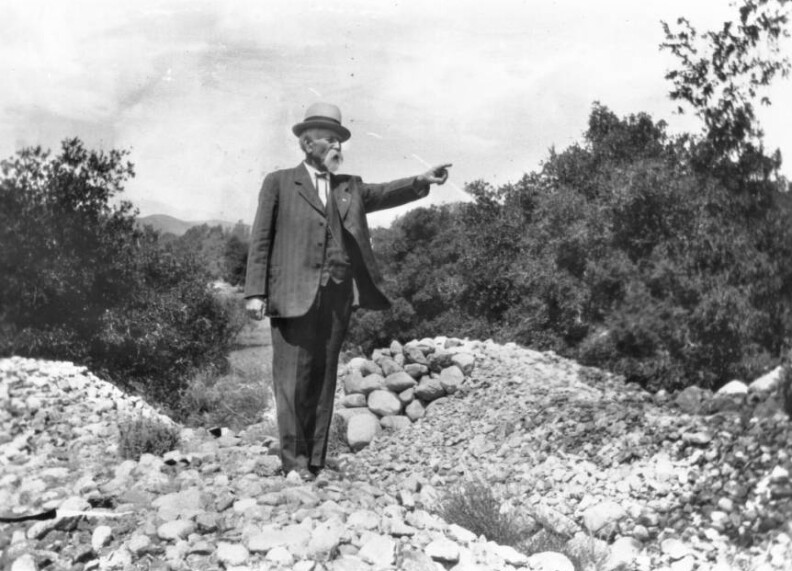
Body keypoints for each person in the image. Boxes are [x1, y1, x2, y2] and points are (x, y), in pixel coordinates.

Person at [244, 102, 451, 480]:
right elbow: (260, 238)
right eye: (329, 138)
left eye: (340, 138)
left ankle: (315, 461)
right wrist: (254, 292)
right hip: (291, 295)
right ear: (308, 145)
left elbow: (385, 192)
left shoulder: (348, 187)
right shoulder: (278, 182)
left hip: (337, 296)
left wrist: (422, 180)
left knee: (323, 379)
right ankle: (293, 462)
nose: (337, 144)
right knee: (291, 380)